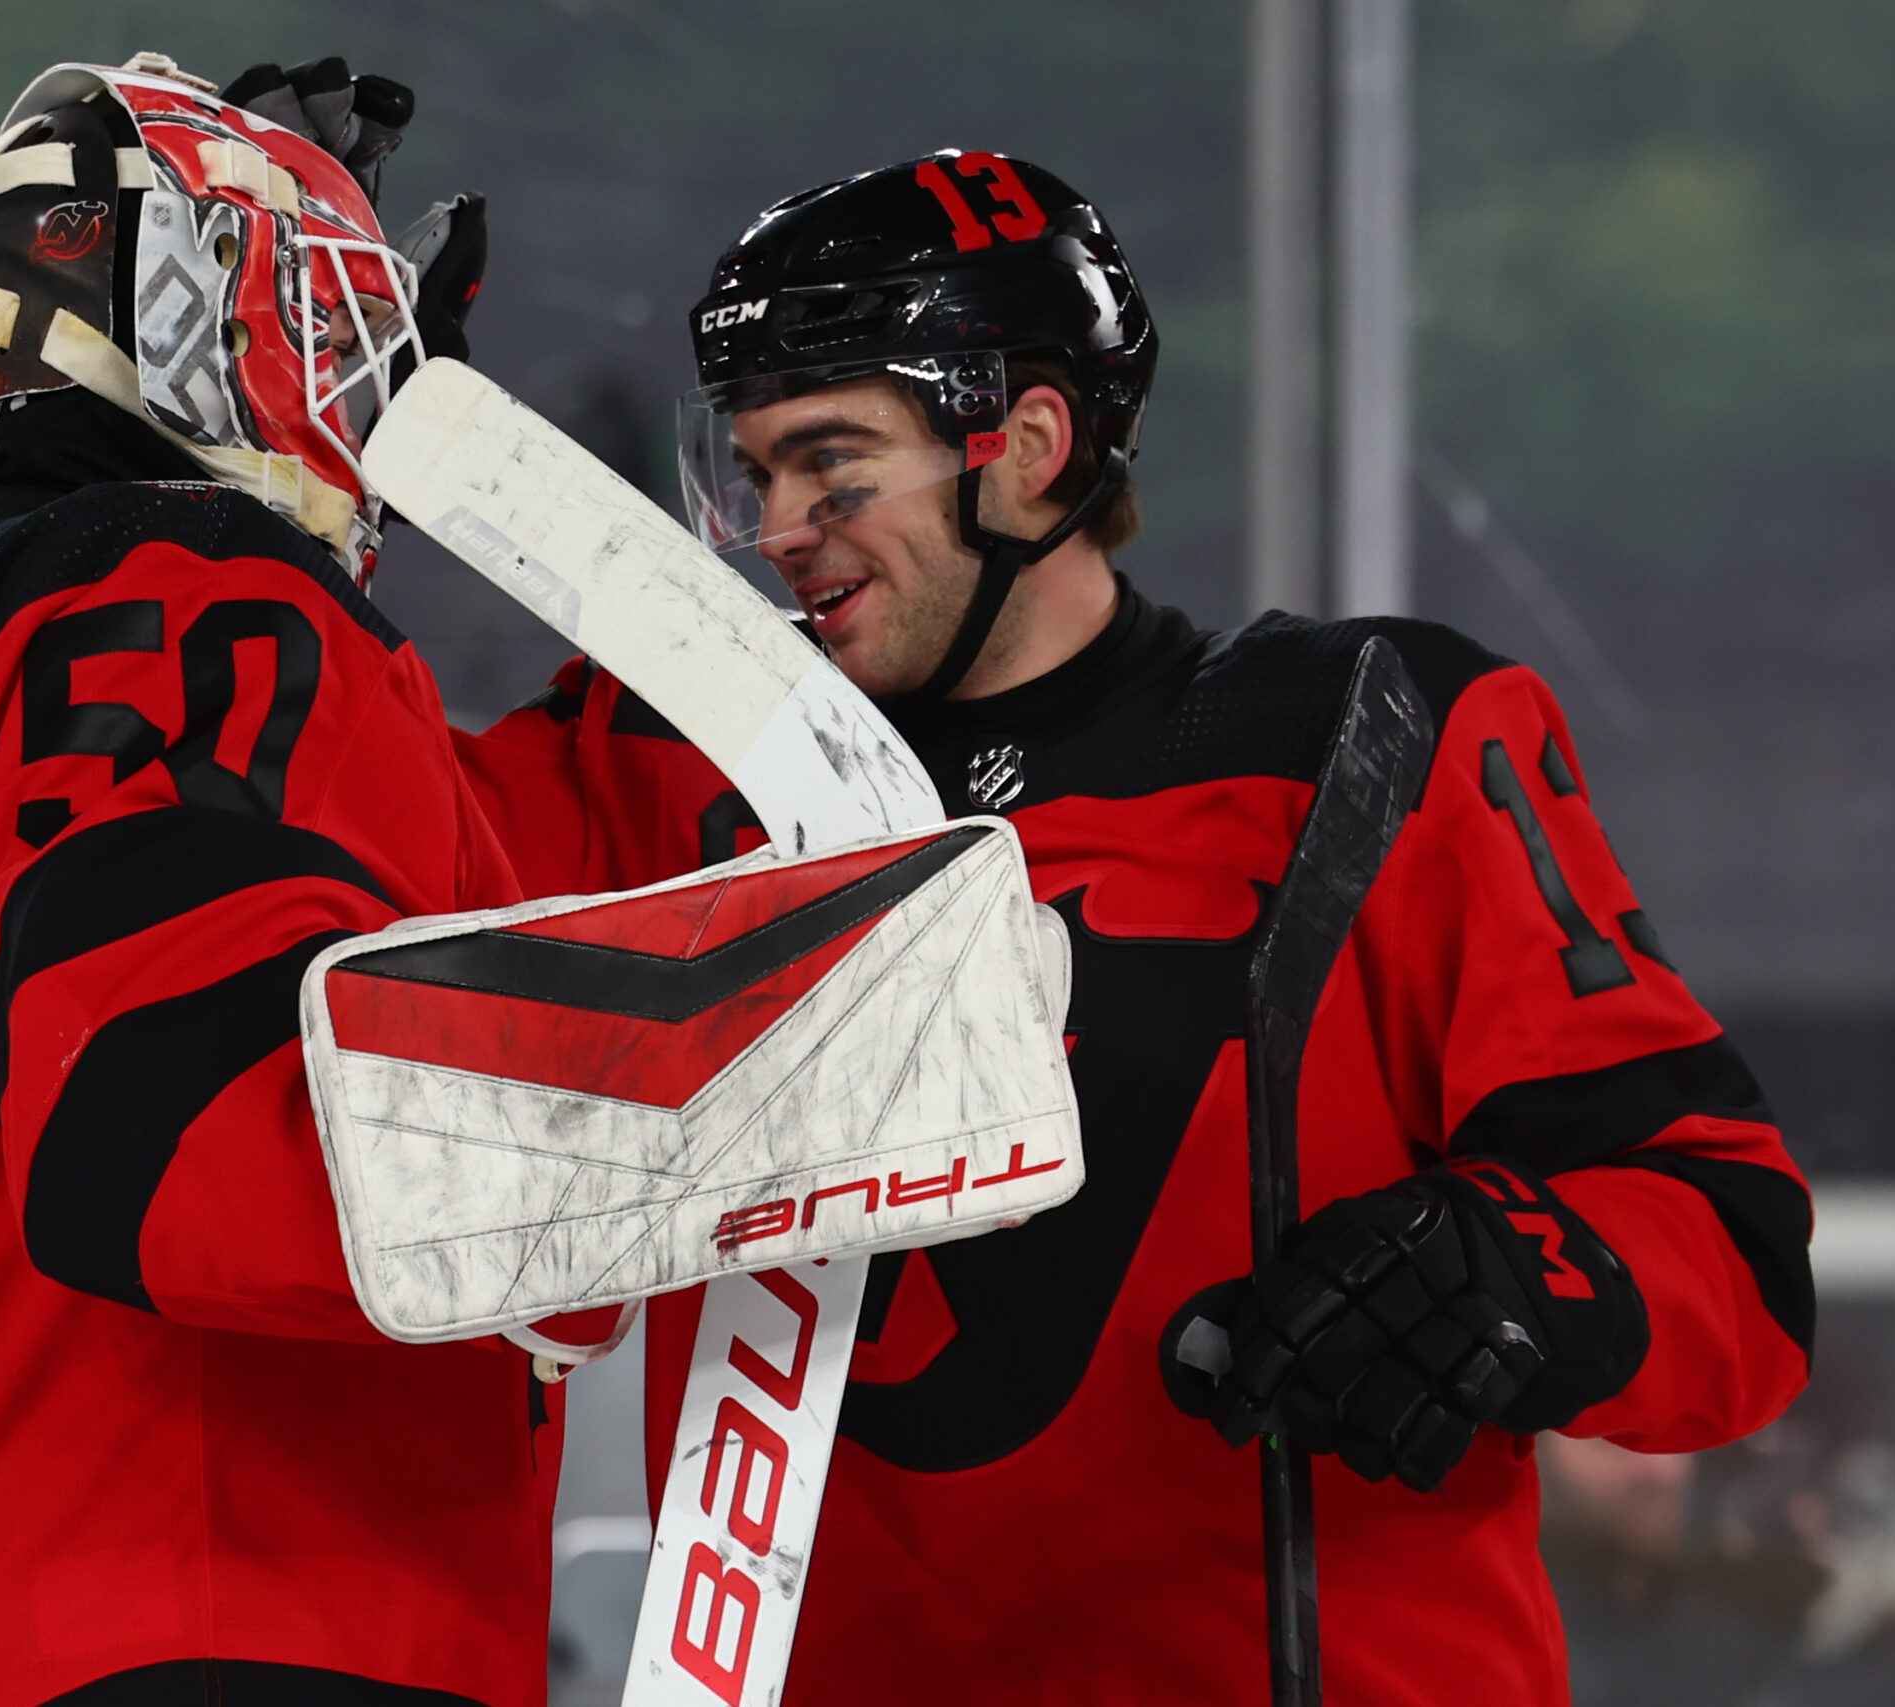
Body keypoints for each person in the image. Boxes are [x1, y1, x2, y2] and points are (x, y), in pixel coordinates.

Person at [456, 152, 1814, 1704]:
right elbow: (313, 893)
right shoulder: (666, 773)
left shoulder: (1369, 738)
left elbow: (1734, 1256)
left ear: (1032, 446)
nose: (780, 528)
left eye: (833, 466)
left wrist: (1503, 1271)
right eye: (754, 474)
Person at [0, 53, 551, 1707]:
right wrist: (653, 1112)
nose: (367, 393)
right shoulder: (190, 582)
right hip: (191, 1622)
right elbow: (192, 1129)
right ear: (195, 321)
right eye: (331, 321)